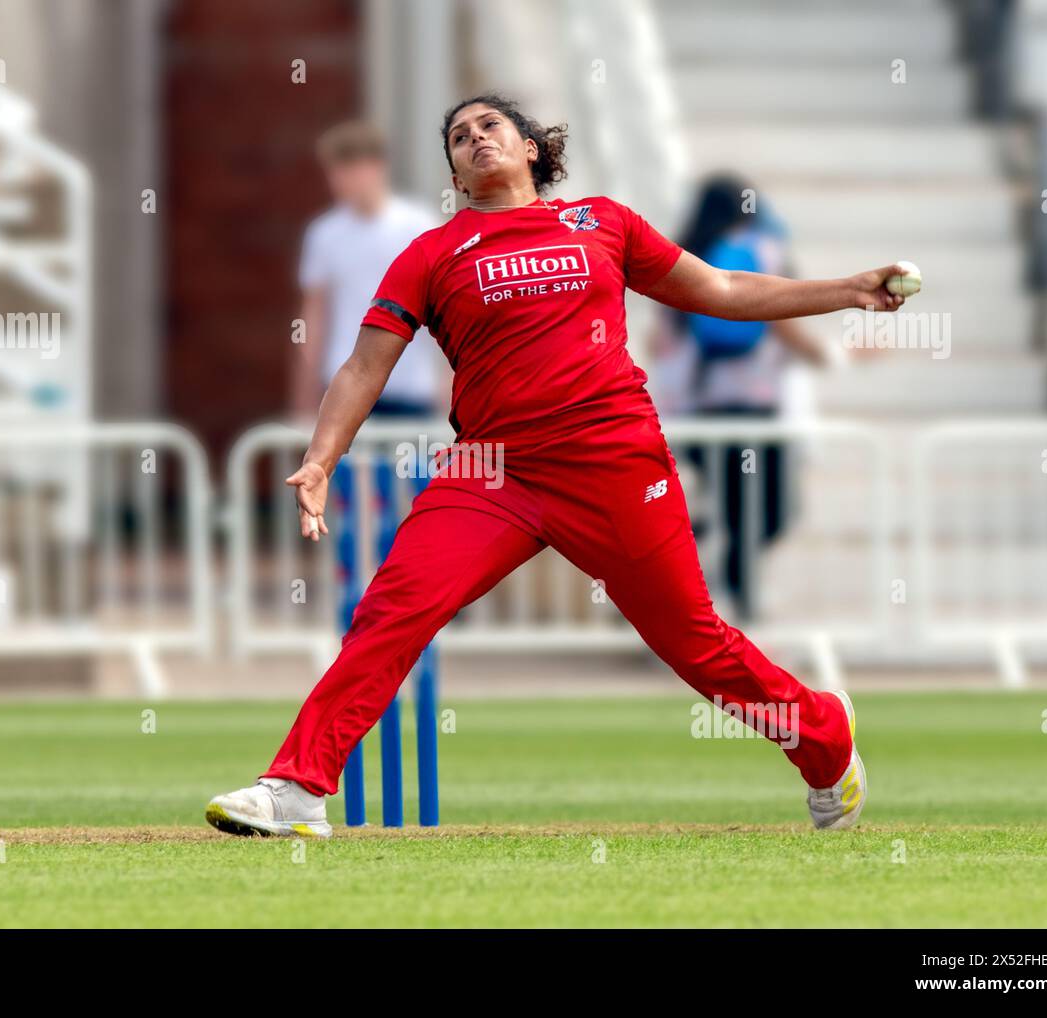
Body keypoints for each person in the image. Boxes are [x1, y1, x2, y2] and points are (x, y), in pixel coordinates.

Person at [208, 93, 906, 838]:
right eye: (457, 137)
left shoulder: (601, 221)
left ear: (532, 147)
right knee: (391, 610)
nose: (475, 140)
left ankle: (825, 737)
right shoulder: (432, 253)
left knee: (693, 642)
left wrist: (846, 291)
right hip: (491, 473)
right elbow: (362, 367)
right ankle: (295, 788)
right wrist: (321, 458)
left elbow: (722, 290)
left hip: (613, 461)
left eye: (490, 127)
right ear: (452, 167)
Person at [669, 174, 839, 619]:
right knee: (770, 511)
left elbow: (666, 340)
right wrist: (834, 357)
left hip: (699, 411)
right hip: (754, 409)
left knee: (735, 509)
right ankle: (739, 597)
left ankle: (698, 566)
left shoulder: (687, 257)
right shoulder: (763, 250)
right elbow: (785, 320)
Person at [292, 120, 442, 421]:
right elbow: (314, 316)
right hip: (344, 381)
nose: (338, 181)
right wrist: (304, 396)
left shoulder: (418, 225)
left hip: (411, 381)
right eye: (334, 172)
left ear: (375, 167)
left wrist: (450, 384)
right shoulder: (324, 233)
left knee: (413, 468)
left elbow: (444, 308)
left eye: (347, 170)